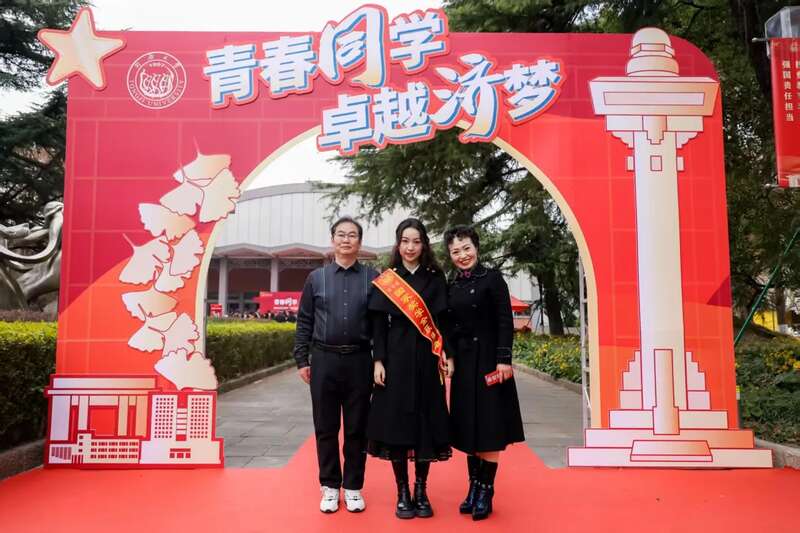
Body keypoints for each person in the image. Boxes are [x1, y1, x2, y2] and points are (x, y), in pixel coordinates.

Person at [366, 218, 454, 520]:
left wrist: (448, 354)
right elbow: (378, 324)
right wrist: (378, 360)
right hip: (395, 359)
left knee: (425, 423)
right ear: (398, 243)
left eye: (416, 241)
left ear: (424, 244)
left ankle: (421, 489)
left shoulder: (435, 278)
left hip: (428, 360)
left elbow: (443, 322)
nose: (410, 247)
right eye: (405, 241)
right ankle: (402, 491)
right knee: (396, 425)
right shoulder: (389, 279)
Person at [293, 216, 378, 514]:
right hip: (324, 360)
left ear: (359, 242)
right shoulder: (316, 278)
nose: (346, 240)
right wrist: (302, 359)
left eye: (352, 235)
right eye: (341, 234)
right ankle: (329, 486)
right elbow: (304, 320)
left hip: (360, 360)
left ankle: (353, 487)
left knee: (357, 427)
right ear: (332, 240)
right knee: (325, 427)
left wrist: (380, 360)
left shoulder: (373, 278)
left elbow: (380, 324)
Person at [443, 225, 525, 521]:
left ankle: (486, 490)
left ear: (476, 247)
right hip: (465, 365)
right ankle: (473, 486)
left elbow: (505, 321)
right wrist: (450, 355)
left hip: (490, 362)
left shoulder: (493, 279)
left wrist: (504, 359)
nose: (462, 255)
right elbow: (447, 326)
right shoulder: (452, 285)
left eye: (466, 248)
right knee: (469, 427)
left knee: (489, 426)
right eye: (455, 251)